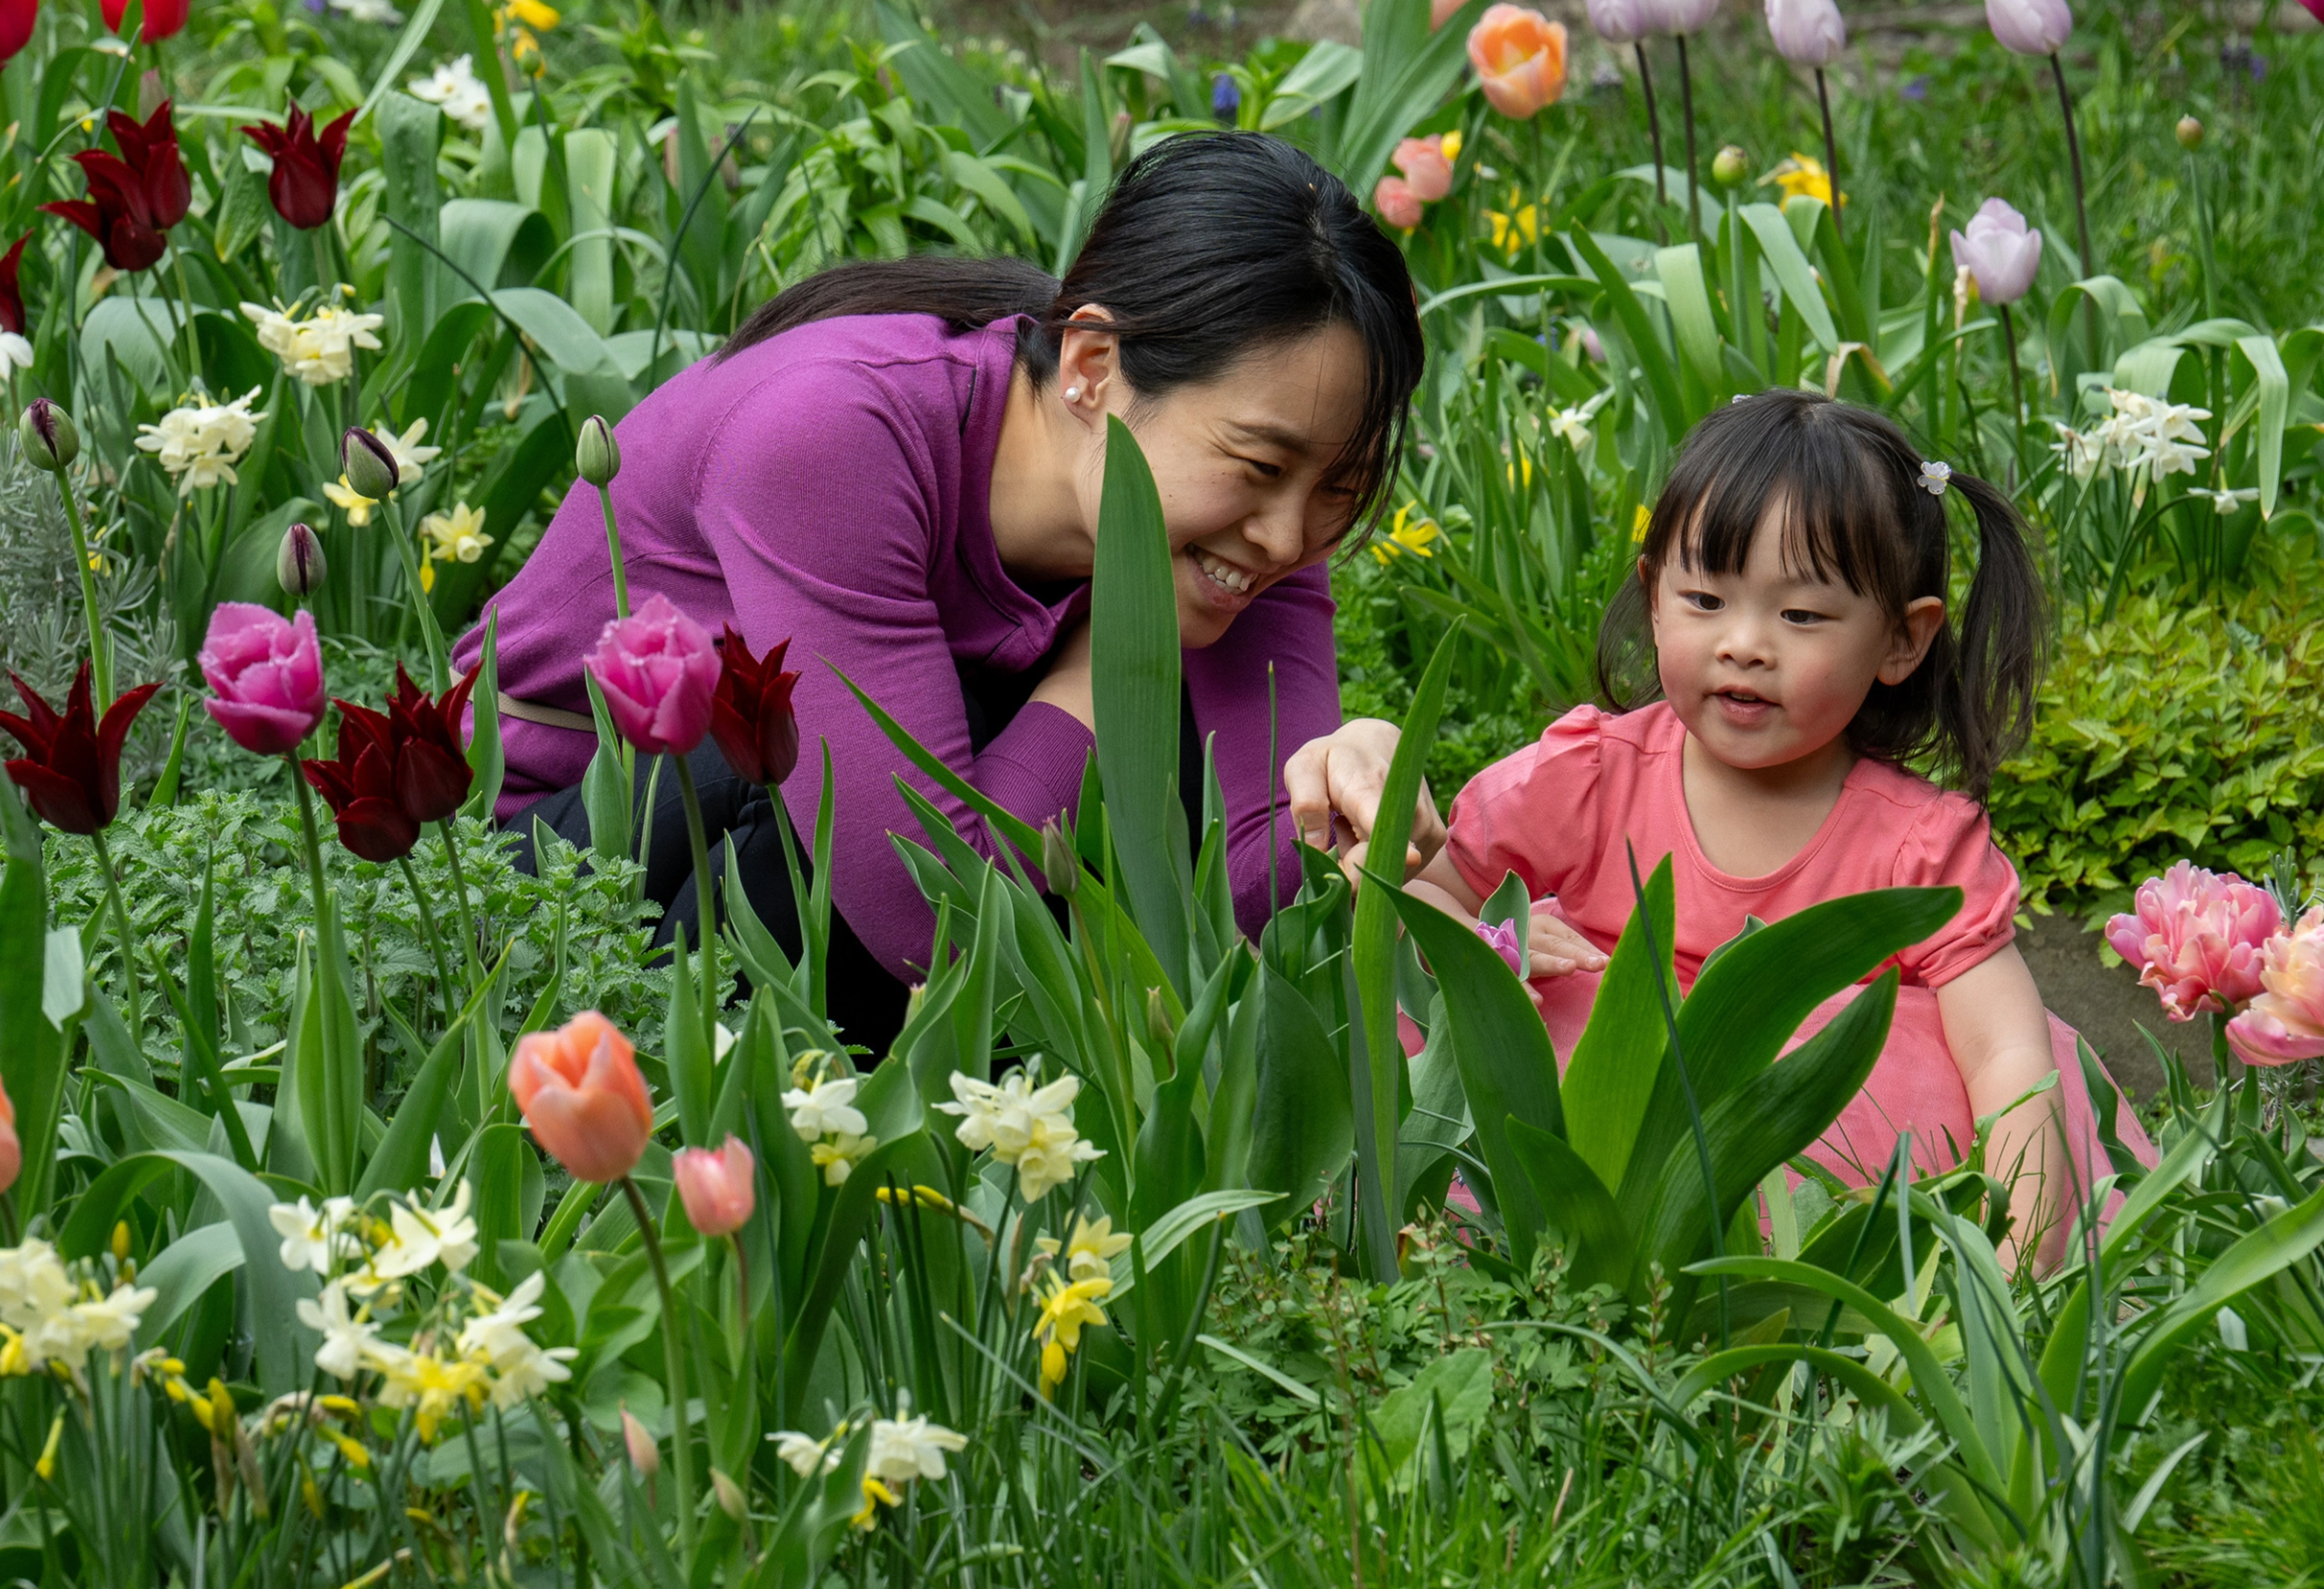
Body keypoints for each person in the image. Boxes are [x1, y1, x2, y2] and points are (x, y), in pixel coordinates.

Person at [462, 132, 1441, 1048]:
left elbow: (1235, 892)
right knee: (820, 747)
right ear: (1094, 367)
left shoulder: (1242, 519)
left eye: (1339, 492)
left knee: (1144, 742)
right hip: (553, 871)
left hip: (872, 866)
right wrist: (1111, 660)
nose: (1287, 538)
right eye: (1260, 466)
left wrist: (1353, 795)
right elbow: (931, 923)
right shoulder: (837, 435)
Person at [1403, 390, 2135, 1266]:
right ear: (1655, 598)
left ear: (1903, 640)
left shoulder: (1918, 850)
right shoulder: (1585, 781)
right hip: (1585, 1140)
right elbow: (1420, 902)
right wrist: (1491, 941)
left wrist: (2016, 1273)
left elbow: (2011, 1057)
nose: (1745, 644)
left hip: (1826, 1168)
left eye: (1801, 616)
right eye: (1706, 599)